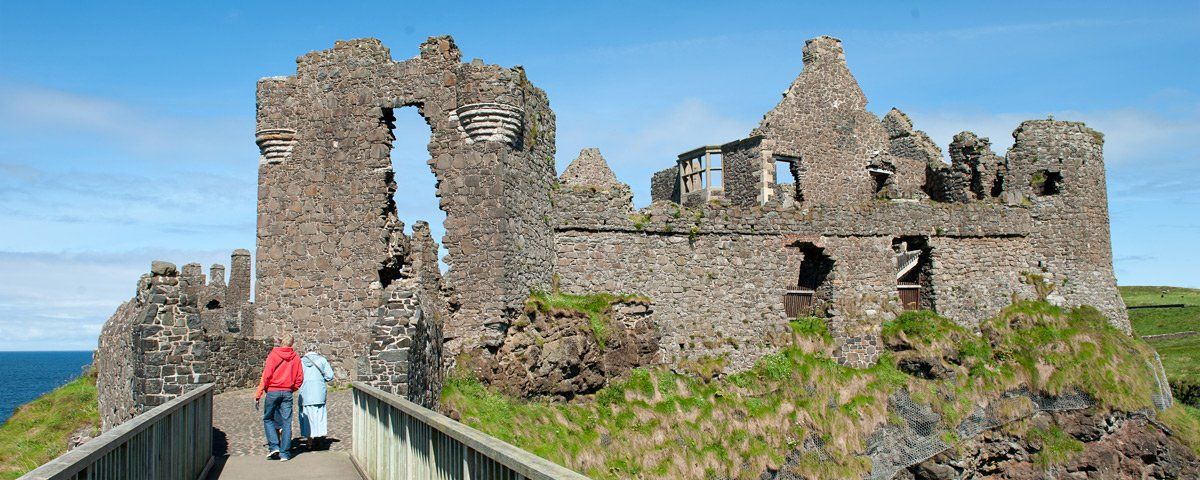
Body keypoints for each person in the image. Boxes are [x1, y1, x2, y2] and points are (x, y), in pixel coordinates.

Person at [255, 334, 304, 461]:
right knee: (286, 422)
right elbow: (300, 378)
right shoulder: (295, 357)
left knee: (268, 419)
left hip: (272, 391)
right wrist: (292, 388)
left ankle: (274, 446)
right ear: (292, 344)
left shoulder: (273, 355)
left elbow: (266, 375)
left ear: (281, 342)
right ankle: (285, 453)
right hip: (287, 392)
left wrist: (259, 392)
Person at [297, 349, 335, 450]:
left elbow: (296, 378)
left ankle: (309, 441)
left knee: (307, 417)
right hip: (318, 393)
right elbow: (330, 376)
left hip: (305, 394)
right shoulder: (322, 360)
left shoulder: (300, 362)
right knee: (318, 416)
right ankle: (318, 439)